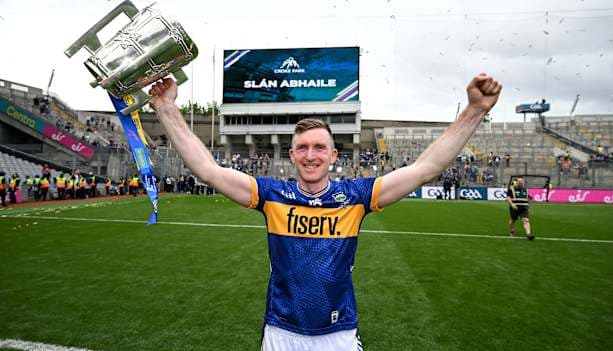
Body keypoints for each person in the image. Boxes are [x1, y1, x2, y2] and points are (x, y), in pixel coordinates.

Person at [148, 73, 502, 351]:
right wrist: (166, 107)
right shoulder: (272, 195)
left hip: (339, 334)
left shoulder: (356, 196)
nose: (310, 154)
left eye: (320, 147)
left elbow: (425, 168)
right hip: (280, 332)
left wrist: (474, 110)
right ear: (292, 155)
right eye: (302, 147)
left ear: (334, 156)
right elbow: (207, 169)